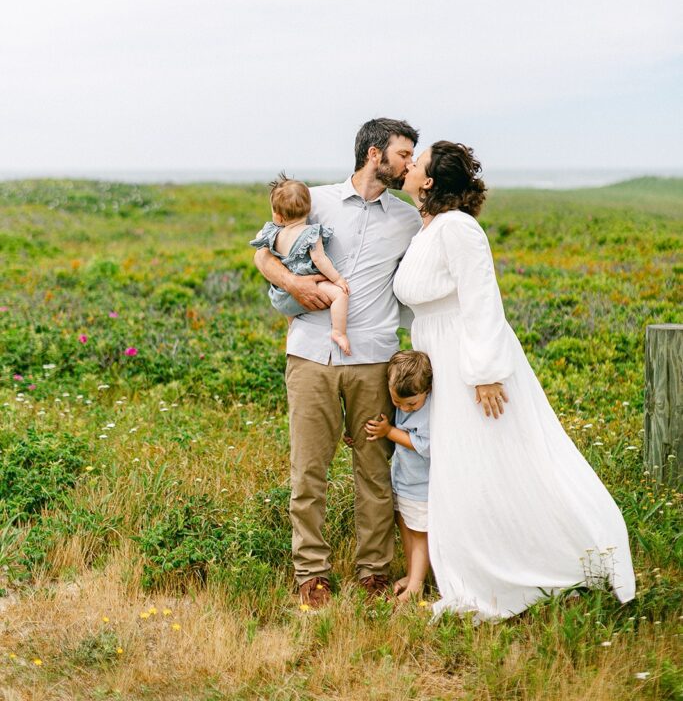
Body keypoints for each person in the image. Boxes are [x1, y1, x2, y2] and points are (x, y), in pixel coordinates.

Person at [393, 141, 636, 621]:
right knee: (459, 467)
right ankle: (465, 558)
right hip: (435, 353)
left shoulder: (458, 229)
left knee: (492, 461)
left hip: (467, 359)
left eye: (416, 162)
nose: (408, 164)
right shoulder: (426, 230)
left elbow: (483, 299)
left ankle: (551, 558)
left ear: (429, 181)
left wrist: (485, 373)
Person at [253, 118, 422, 608]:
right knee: (309, 469)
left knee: (375, 469)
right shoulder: (316, 200)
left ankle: (373, 570)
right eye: (404, 153)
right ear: (375, 154)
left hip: (374, 361)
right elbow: (263, 255)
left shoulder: (408, 219)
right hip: (310, 357)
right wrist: (293, 284)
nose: (409, 163)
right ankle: (311, 573)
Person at [250, 174, 352, 355]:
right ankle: (338, 332)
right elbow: (320, 260)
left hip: (282, 297)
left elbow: (261, 253)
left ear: (279, 216)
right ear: (309, 208)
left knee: (293, 322)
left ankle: (292, 333)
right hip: (309, 284)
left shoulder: (274, 234)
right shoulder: (311, 233)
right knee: (339, 296)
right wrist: (337, 279)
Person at [365, 349, 432, 602]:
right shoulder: (408, 400)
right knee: (404, 525)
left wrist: (389, 432)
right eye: (397, 402)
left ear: (427, 390)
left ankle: (417, 584)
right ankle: (411, 574)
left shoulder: (427, 412)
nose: (404, 408)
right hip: (403, 480)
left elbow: (426, 446)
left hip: (420, 485)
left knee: (419, 534)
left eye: (411, 404)